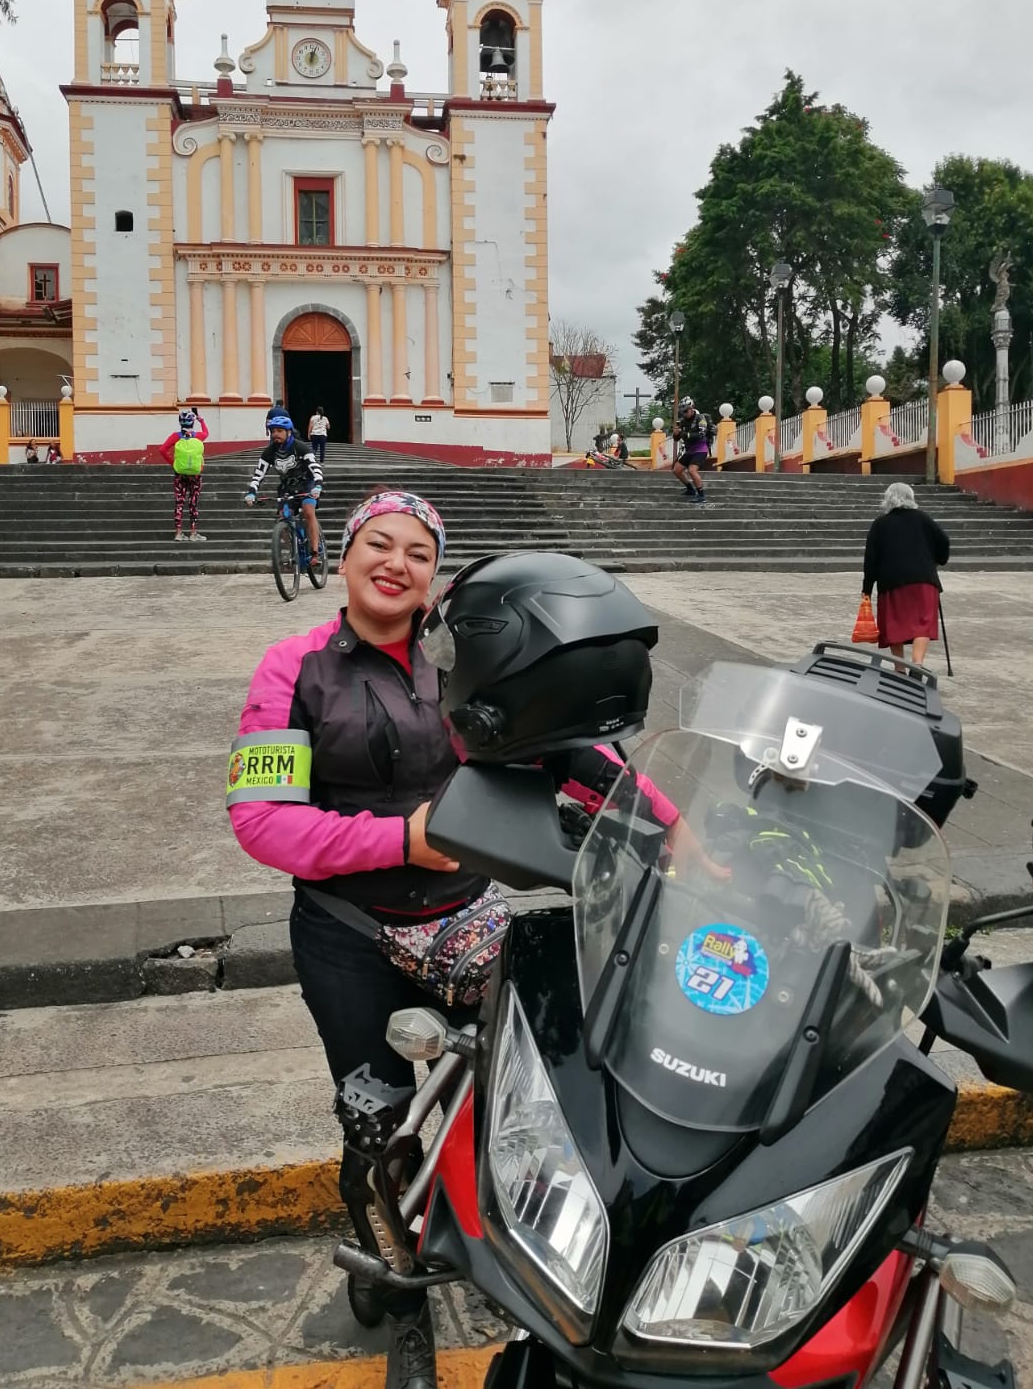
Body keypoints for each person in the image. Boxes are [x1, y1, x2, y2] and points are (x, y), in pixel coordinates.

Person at [229, 536, 704, 1388]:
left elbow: (573, 751)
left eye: (418, 552)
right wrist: (401, 839)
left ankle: (521, 1269)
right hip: (347, 932)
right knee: (380, 1128)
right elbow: (263, 820)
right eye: (378, 543)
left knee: (523, 1108)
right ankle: (402, 1297)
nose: (395, 562)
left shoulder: (469, 659)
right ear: (345, 555)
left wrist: (674, 828)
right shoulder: (293, 667)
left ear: (434, 577)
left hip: (469, 918)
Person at [862, 482, 950, 668]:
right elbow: (944, 541)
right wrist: (938, 560)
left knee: (894, 623)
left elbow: (871, 559)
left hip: (892, 583)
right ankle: (917, 663)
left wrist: (867, 588)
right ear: (911, 497)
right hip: (924, 581)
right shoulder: (923, 519)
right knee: (923, 622)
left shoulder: (881, 524)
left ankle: (899, 668)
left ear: (888, 499)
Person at [244, 414, 324, 562]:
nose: (275, 434)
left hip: (307, 484)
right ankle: (294, 549)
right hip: (287, 487)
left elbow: (315, 467)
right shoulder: (269, 452)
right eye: (273, 431)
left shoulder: (300, 447)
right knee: (283, 517)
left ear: (288, 432)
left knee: (308, 511)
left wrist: (318, 485)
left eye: (279, 431)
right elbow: (258, 474)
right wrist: (251, 492)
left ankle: (315, 552)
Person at [159, 407, 210, 542]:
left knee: (179, 502)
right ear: (192, 422)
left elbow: (162, 450)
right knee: (193, 502)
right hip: (195, 475)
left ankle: (178, 533)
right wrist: (201, 420)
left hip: (180, 474)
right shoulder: (198, 436)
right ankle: (193, 533)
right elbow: (206, 433)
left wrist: (173, 463)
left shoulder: (176, 436)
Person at [672, 396, 713, 503]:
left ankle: (701, 495)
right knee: (677, 470)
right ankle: (690, 489)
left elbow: (701, 434)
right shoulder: (682, 421)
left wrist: (685, 434)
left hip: (700, 449)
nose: (684, 413)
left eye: (686, 411)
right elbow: (677, 439)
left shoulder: (700, 418)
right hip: (690, 450)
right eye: (682, 412)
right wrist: (676, 434)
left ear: (692, 408)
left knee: (692, 470)